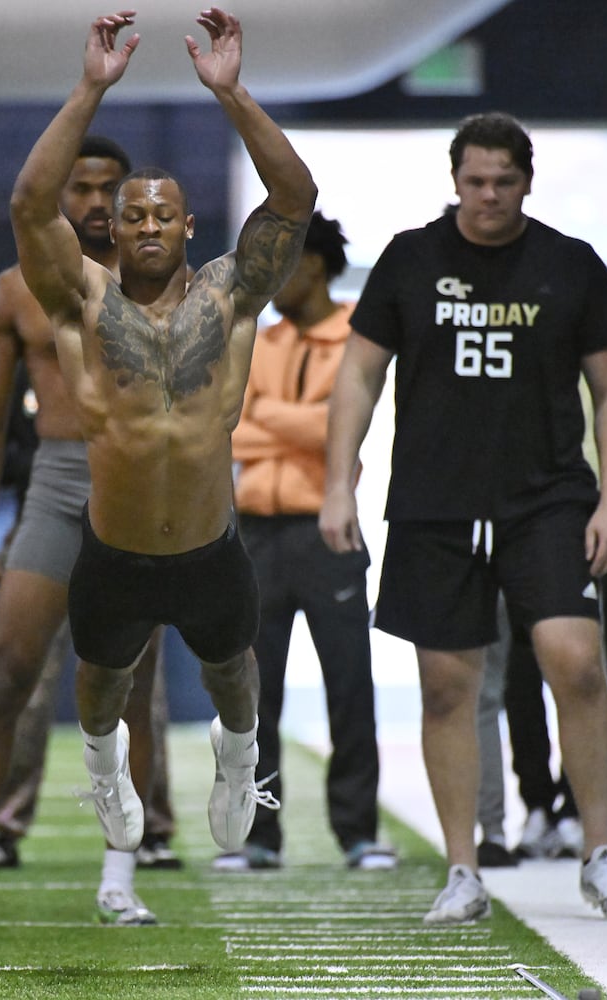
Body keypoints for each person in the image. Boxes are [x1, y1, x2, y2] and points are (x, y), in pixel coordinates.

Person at [320, 111, 607, 923]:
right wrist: (337, 483)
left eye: (504, 181)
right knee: (444, 687)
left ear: (526, 182)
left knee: (573, 659)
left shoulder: (569, 265)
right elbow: (357, 377)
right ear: (454, 180)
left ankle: (598, 851)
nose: (488, 195)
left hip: (547, 497)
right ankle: (463, 869)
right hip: (435, 500)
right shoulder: (409, 258)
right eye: (474, 181)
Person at [10, 7, 316, 867]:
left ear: (187, 226)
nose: (145, 226)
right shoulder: (82, 299)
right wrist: (89, 88)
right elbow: (30, 204)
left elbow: (294, 199)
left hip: (211, 544)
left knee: (233, 676)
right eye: (130, 215)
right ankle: (106, 770)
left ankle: (240, 754)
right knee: (101, 685)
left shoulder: (229, 296)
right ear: (111, 227)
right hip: (113, 546)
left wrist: (232, 94)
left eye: (162, 216)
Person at [0, 133, 182, 926]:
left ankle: (120, 877)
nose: (92, 202)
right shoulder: (16, 289)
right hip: (53, 483)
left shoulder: (169, 286)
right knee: (8, 675)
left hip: (137, 493)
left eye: (107, 188)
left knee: (132, 690)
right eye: (78, 187)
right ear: (59, 196)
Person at [480, 307, 607, 868]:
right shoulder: (488, 310)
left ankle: (580, 810)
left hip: (588, 506)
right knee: (522, 668)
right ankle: (542, 808)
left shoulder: (579, 299)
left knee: (587, 668)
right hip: (513, 510)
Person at [218, 211, 390, 872]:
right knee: (252, 695)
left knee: (349, 685)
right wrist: (306, 423)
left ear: (313, 265)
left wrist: (268, 417)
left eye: (280, 263)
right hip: (255, 533)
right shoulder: (258, 340)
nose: (266, 278)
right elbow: (228, 427)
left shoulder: (359, 334)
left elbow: (344, 426)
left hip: (328, 528)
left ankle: (357, 833)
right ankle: (259, 837)